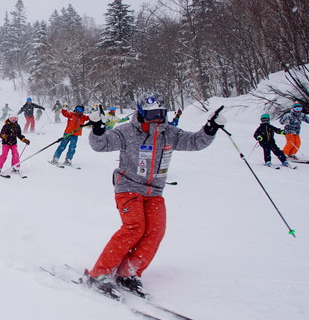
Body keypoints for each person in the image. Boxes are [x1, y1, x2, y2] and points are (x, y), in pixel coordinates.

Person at [84, 92, 224, 298]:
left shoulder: (170, 133)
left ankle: (128, 273)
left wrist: (210, 128)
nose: (156, 119)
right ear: (141, 114)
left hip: (155, 191)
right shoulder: (127, 132)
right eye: (151, 115)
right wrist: (98, 129)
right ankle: (100, 273)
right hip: (128, 187)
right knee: (134, 227)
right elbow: (101, 145)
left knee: (155, 231)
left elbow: (195, 142)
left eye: (160, 114)